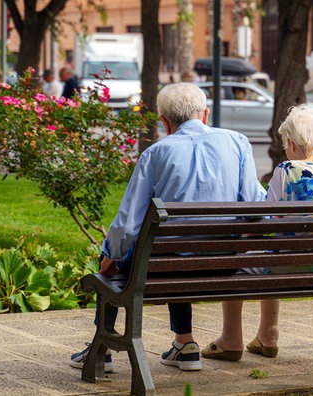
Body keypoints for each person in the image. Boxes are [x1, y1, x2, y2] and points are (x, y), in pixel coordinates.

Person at [69, 83, 267, 372]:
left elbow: (126, 225)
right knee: (175, 248)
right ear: (205, 115)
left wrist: (109, 256)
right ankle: (184, 345)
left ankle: (103, 350)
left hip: (167, 265)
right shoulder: (237, 143)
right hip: (224, 263)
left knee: (127, 255)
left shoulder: (156, 154)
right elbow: (256, 205)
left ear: (164, 122)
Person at [201, 104, 313, 362]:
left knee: (237, 262)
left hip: (287, 267)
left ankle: (230, 340)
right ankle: (268, 335)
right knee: (272, 254)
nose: (285, 149)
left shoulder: (287, 171)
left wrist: (240, 243)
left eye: (285, 143)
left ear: (293, 143)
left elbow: (265, 221)